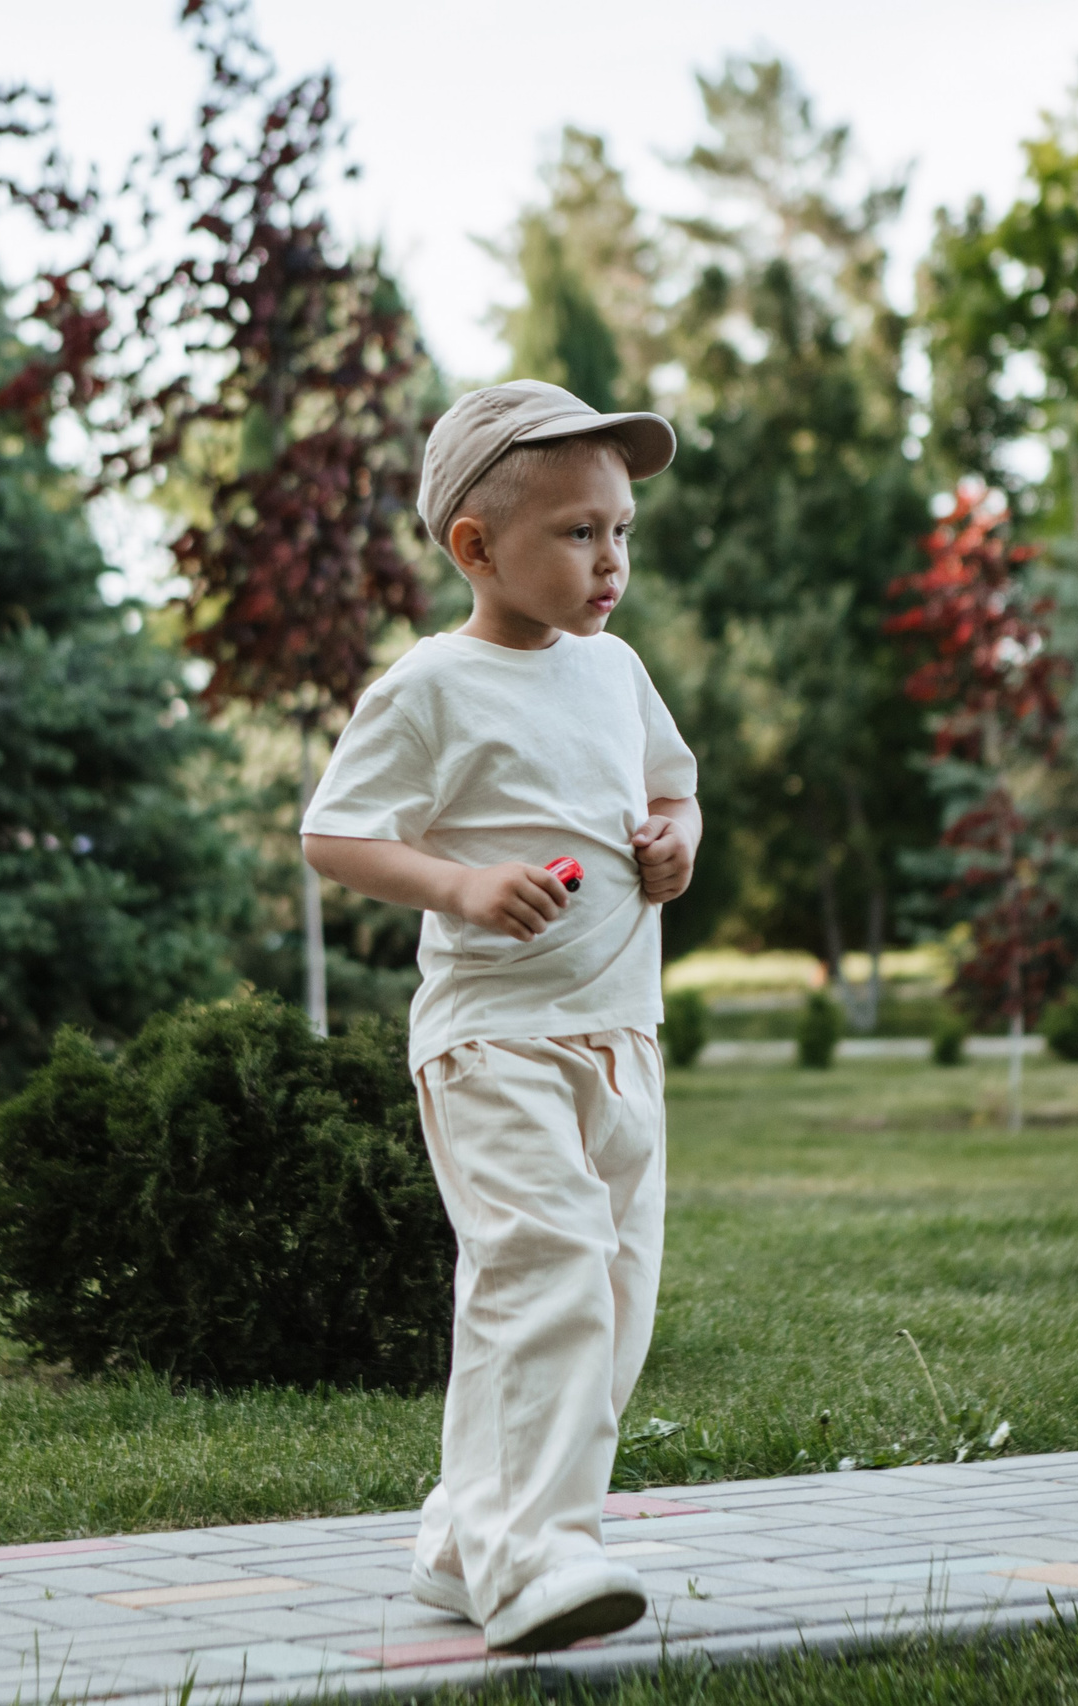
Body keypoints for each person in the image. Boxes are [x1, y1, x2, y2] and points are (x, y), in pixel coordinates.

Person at [301, 381, 701, 1655]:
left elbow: (676, 796)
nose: (611, 561)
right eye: (578, 533)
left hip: (620, 1035)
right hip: (492, 1040)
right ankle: (537, 1561)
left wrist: (672, 843)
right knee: (547, 1274)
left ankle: (460, 1538)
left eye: (620, 530)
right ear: (474, 545)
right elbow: (335, 832)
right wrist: (462, 883)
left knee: (612, 1291)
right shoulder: (431, 685)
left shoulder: (617, 670)